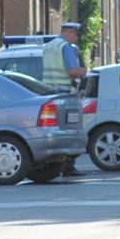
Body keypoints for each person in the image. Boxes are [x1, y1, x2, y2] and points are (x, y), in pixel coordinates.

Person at [42, 22, 87, 176]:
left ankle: (56, 164)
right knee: (71, 128)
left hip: (49, 92)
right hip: (65, 93)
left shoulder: (49, 46)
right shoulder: (65, 47)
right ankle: (68, 166)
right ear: (68, 33)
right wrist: (84, 71)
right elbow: (73, 72)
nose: (75, 38)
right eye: (75, 34)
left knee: (56, 129)